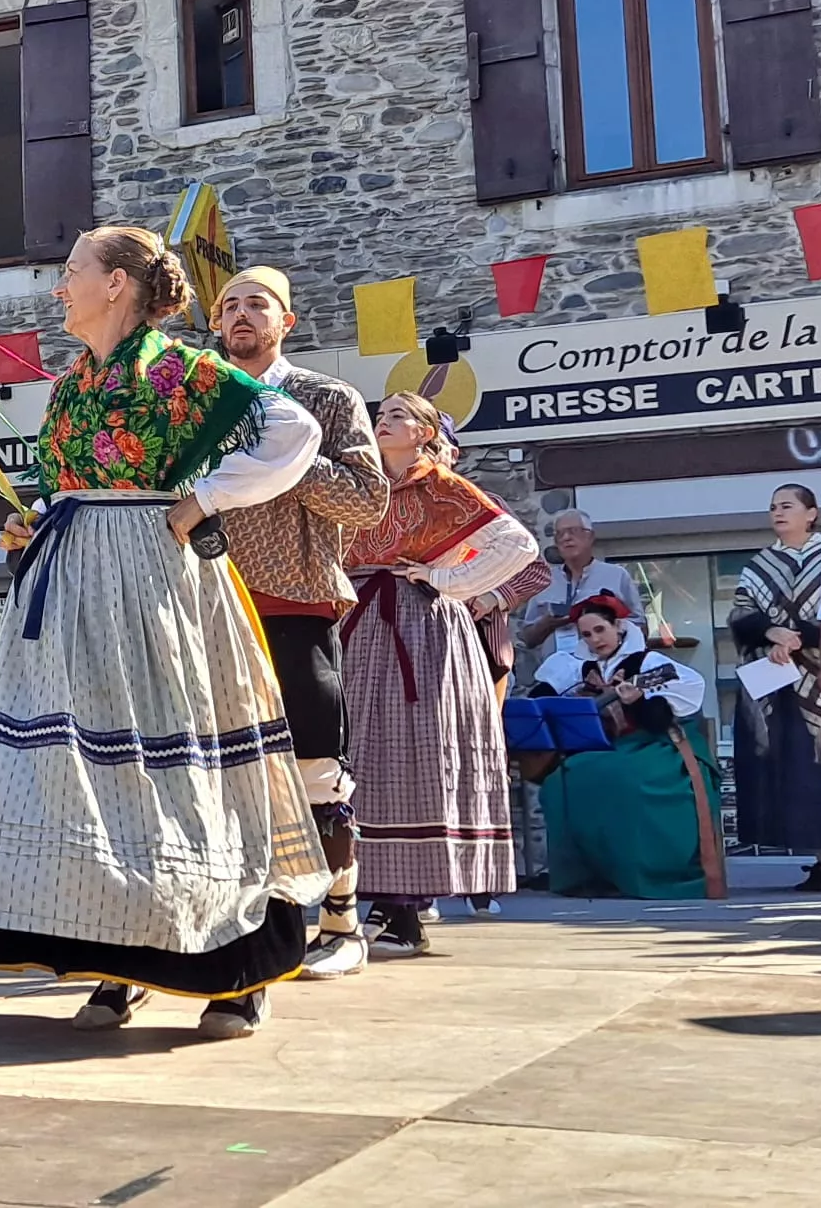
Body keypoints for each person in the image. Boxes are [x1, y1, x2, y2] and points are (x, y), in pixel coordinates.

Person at [0, 227, 330, 1040]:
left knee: (181, 765)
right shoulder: (73, 383)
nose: (62, 287)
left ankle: (235, 972)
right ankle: (126, 962)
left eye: (73, 272)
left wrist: (207, 499)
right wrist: (36, 525)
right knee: (91, 777)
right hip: (78, 590)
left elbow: (292, 430)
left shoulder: (171, 366)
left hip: (154, 586)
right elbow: (62, 484)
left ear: (118, 284)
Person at [207, 266, 388, 979]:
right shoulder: (195, 402)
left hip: (295, 601)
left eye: (258, 305)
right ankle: (235, 922)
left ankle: (341, 923)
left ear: (287, 321)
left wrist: (282, 451)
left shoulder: (325, 398)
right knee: (214, 771)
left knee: (315, 772)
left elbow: (367, 501)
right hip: (204, 604)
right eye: (229, 307)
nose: (242, 316)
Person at [340, 391, 537, 959]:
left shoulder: (443, 488)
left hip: (419, 624)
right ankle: (384, 901)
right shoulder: (363, 482)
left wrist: (444, 578)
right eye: (381, 415)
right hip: (359, 619)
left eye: (398, 416)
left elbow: (518, 547)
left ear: (426, 433)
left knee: (416, 748)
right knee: (366, 753)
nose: (384, 421)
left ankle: (400, 905)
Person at [529, 595, 722, 900]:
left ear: (618, 626)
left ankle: (648, 871)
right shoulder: (578, 667)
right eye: (587, 635)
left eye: (600, 630)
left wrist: (639, 701)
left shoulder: (650, 664)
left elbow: (663, 718)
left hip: (658, 745)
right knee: (562, 779)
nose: (595, 640)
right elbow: (543, 698)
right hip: (608, 747)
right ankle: (591, 874)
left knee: (627, 780)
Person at [730, 483, 821, 890]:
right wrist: (772, 634)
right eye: (772, 507)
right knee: (789, 770)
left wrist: (799, 637)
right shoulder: (759, 563)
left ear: (811, 513)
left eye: (787, 505)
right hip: (776, 682)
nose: (777, 512)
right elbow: (741, 613)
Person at [519, 510, 645, 657]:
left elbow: (640, 627)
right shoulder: (545, 581)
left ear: (590, 536)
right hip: (558, 674)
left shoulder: (616, 575)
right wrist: (547, 625)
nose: (566, 538)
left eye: (573, 531)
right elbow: (528, 639)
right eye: (560, 534)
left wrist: (600, 625)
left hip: (605, 672)